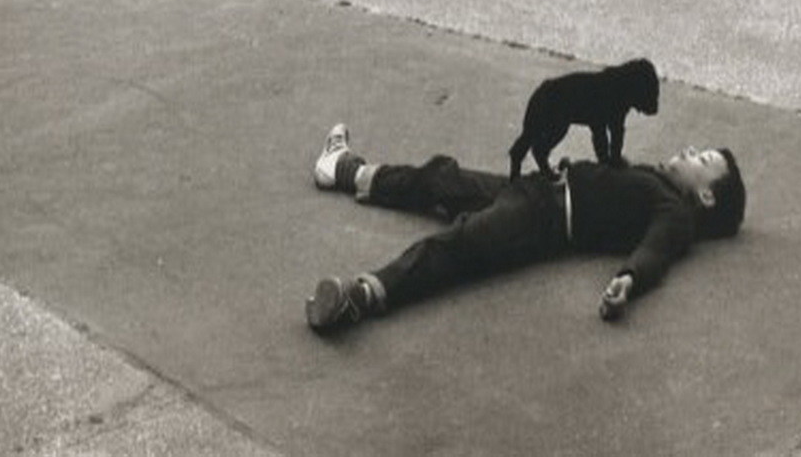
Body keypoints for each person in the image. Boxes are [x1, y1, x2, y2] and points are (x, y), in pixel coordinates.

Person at [305, 123, 745, 334]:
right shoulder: (658, 182)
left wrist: (627, 280)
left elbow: (656, 251)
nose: (691, 149)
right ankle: (343, 169)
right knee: (443, 179)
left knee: (461, 242)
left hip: (541, 219)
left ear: (706, 196)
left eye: (703, 159)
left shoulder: (676, 213)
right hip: (535, 189)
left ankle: (359, 297)